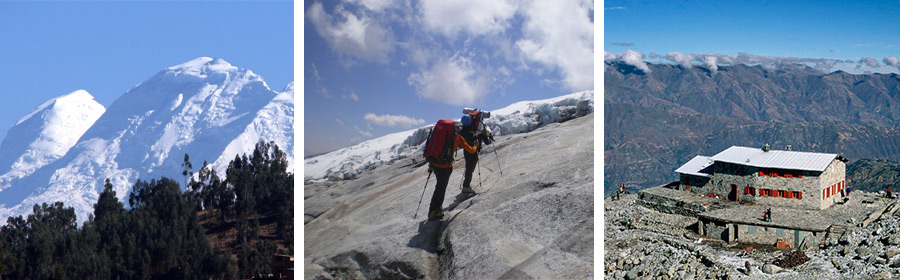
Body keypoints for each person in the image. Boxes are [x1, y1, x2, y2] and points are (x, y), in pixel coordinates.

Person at [427, 122, 479, 221]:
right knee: (441, 188)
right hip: (446, 167)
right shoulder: (457, 138)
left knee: (439, 187)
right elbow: (471, 150)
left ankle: (436, 207)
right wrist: (476, 145)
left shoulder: (440, 136)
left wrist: (431, 165)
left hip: (436, 164)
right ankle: (434, 211)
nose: (460, 128)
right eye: (458, 127)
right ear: (455, 128)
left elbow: (434, 150)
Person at [459, 114, 492, 194]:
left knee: (468, 167)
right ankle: (466, 186)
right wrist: (490, 138)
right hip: (474, 151)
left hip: (466, 151)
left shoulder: (462, 131)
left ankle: (466, 184)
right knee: (470, 169)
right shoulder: (478, 130)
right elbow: (487, 142)